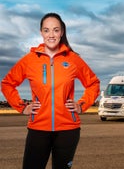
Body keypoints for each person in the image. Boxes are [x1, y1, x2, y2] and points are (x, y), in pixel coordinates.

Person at [1, 13, 100, 169]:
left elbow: (93, 83)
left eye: (55, 30)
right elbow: (7, 83)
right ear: (41, 32)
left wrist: (81, 105)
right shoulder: (30, 60)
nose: (51, 35)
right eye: (47, 30)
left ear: (61, 32)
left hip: (68, 130)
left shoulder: (73, 59)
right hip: (38, 129)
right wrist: (22, 106)